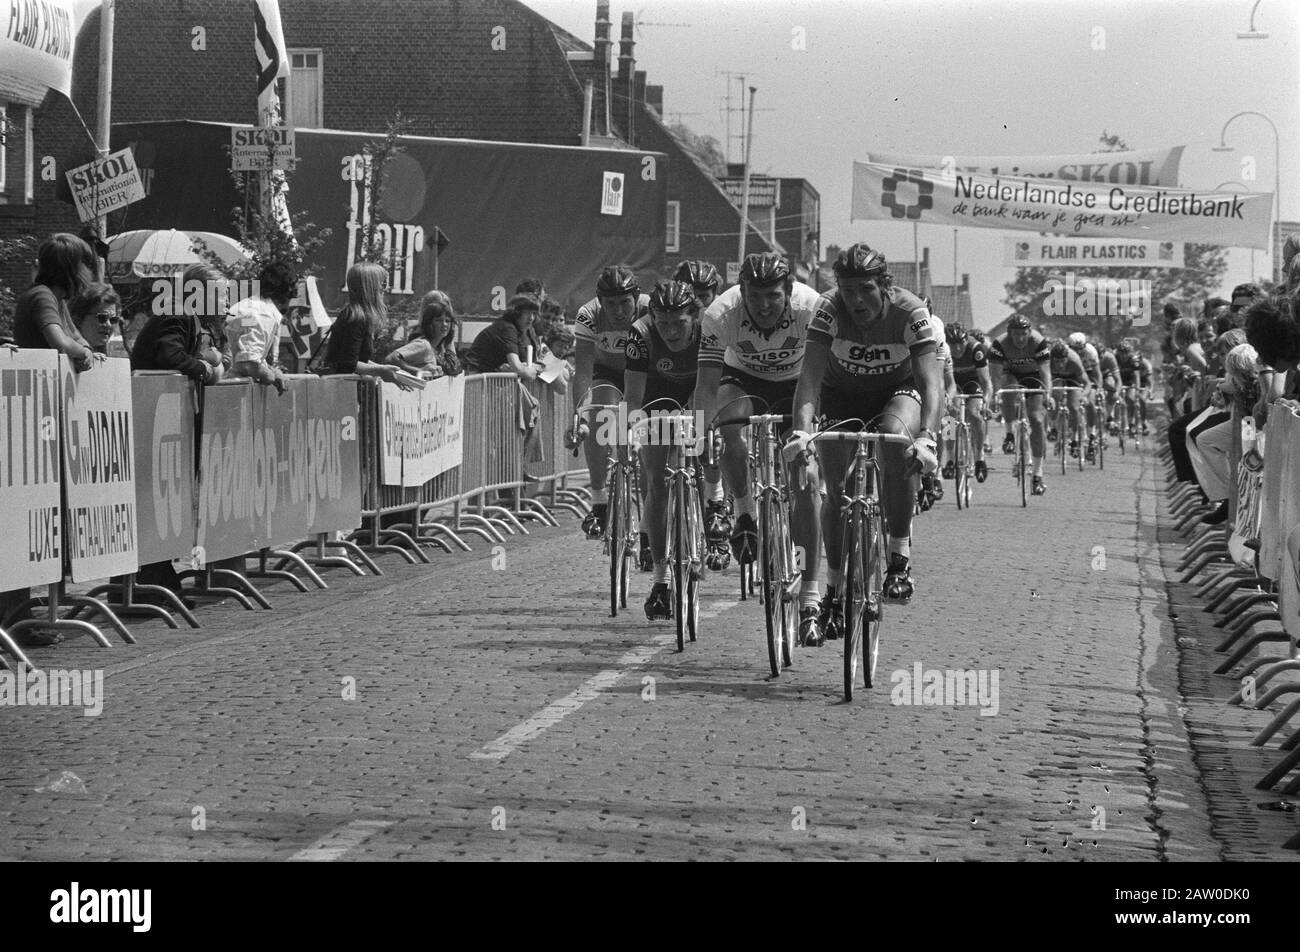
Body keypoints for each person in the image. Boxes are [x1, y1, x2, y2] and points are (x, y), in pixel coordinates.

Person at [783, 243, 941, 646]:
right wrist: (802, 432)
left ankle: (899, 557)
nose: (856, 300)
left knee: (895, 441)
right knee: (834, 493)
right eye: (849, 290)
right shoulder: (828, 310)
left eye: (866, 289)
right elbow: (809, 381)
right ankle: (835, 589)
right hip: (841, 396)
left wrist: (927, 437)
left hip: (897, 392)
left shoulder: (910, 312)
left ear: (884, 286)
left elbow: (930, 383)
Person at [694, 252, 821, 587]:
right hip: (743, 377)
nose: (764, 306)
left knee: (804, 474)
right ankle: (745, 510)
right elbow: (706, 385)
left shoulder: (812, 307)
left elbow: (828, 372)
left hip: (797, 382)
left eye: (773, 296)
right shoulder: (720, 313)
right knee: (726, 424)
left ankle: (806, 569)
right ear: (742, 291)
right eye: (755, 297)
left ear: (790, 290)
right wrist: (705, 433)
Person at [2, 233, 104, 644]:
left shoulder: (55, 298)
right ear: (71, 267)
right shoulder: (43, 296)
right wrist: (83, 354)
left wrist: (86, 350)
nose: (88, 271)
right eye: (84, 264)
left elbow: (78, 339)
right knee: (26, 522)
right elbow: (63, 342)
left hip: (46, 421)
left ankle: (24, 615)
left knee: (40, 522)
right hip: (32, 423)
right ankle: (16, 618)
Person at [623, 281, 703, 620]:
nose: (669, 330)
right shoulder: (640, 335)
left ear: (694, 317)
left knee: (705, 448)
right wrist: (630, 430)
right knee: (656, 480)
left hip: (698, 391)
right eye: (662, 322)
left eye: (678, 323)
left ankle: (711, 508)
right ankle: (660, 579)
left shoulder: (707, 331)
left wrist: (705, 427)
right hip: (655, 396)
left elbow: (711, 386)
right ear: (652, 316)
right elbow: (633, 396)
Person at [571, 266, 650, 539]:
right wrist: (579, 418)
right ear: (600, 302)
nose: (618, 311)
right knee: (598, 416)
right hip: (609, 375)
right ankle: (599, 501)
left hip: (645, 375)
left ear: (636, 298)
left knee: (650, 438)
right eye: (610, 304)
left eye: (624, 303)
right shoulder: (588, 315)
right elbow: (582, 373)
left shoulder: (651, 310)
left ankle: (652, 516)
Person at [321, 262, 414, 389]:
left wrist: (385, 370)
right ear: (370, 287)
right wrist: (381, 370)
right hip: (340, 392)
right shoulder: (356, 318)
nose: (386, 288)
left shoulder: (356, 315)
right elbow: (348, 364)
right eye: (384, 284)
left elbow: (357, 360)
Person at [130, 263, 226, 384]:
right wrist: (203, 368)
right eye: (222, 295)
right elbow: (170, 356)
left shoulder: (188, 316)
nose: (226, 302)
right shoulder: (177, 313)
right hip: (149, 394)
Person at [989, 314, 1053, 496]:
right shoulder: (999, 344)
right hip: (1010, 373)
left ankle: (1038, 474)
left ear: (1029, 332)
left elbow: (1046, 372)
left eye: (1023, 334)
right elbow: (995, 376)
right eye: (1016, 334)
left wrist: (1048, 394)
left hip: (1033, 376)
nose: (1020, 339)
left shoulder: (1039, 342)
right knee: (1007, 389)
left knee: (1037, 420)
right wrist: (995, 395)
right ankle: (1009, 433)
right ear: (1009, 333)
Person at [225, 261, 297, 392]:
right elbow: (248, 364)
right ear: (289, 290)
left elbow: (249, 354)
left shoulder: (254, 307)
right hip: (230, 391)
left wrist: (272, 370)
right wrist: (270, 376)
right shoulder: (263, 316)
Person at [943, 322, 993, 483]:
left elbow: (986, 383)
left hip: (973, 383)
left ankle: (979, 458)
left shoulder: (976, 349)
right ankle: (950, 458)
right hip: (953, 384)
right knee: (949, 417)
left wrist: (986, 404)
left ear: (966, 339)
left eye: (961, 343)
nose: (957, 348)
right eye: (953, 344)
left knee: (974, 414)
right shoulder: (942, 349)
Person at [463, 291, 544, 379]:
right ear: (517, 312)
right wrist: (534, 370)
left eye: (534, 313)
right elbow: (520, 369)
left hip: (486, 376)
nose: (531, 318)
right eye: (527, 313)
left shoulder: (524, 330)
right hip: (474, 375)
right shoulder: (507, 328)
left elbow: (524, 364)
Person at [385, 289, 462, 379]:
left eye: (447, 320)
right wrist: (419, 371)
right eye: (439, 318)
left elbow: (454, 368)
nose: (444, 324)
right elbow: (391, 359)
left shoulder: (441, 339)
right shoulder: (423, 343)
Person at [1048, 339, 1089, 458]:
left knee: (1074, 407)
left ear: (1067, 358)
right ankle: (1054, 426)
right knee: (1055, 394)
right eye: (1057, 361)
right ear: (1052, 359)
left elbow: (1087, 384)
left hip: (1073, 378)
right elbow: (1044, 380)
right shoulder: (1047, 360)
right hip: (1055, 378)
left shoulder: (1074, 360)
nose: (1060, 364)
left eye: (1062, 361)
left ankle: (1074, 438)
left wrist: (1084, 396)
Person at [68, 283, 122, 356]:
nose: (109, 325)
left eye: (113, 320)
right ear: (78, 319)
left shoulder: (108, 356)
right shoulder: (64, 354)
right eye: (102, 318)